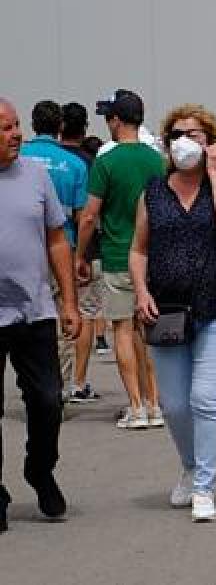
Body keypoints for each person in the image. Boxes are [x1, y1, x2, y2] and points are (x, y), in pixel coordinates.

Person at [130, 105, 216, 522]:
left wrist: (215, 172)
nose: (185, 141)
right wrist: (141, 290)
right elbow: (139, 248)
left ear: (212, 141)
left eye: (195, 134)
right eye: (177, 134)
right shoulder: (154, 190)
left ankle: (204, 487)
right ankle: (191, 465)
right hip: (167, 309)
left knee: (206, 398)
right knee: (175, 404)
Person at [0, 98, 81, 530]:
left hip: (34, 311)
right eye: (5, 128)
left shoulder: (35, 174)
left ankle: (40, 469)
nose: (16, 134)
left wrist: (68, 301)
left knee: (48, 401)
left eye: (16, 125)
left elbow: (56, 239)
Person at [75, 90, 166, 430]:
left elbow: (89, 216)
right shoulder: (157, 160)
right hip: (152, 256)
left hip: (116, 255)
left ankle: (136, 406)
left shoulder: (106, 160)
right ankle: (155, 402)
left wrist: (79, 255)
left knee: (122, 330)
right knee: (149, 330)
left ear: (116, 120)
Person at [20, 102, 89, 398]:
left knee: (22, 319)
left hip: (22, 251)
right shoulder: (73, 164)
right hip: (61, 249)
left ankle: (29, 382)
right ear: (60, 126)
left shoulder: (18, 158)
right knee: (63, 319)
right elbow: (81, 214)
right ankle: (56, 387)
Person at [59, 104, 107, 401]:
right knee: (86, 314)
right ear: (86, 127)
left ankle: (54, 377)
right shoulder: (89, 163)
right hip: (84, 250)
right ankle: (77, 380)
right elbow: (89, 215)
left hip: (43, 250)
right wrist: (84, 256)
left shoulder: (31, 161)